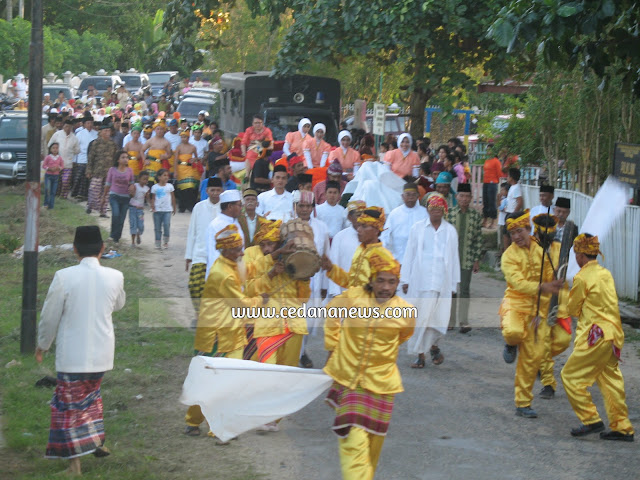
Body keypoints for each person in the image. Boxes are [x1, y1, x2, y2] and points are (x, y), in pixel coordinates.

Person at [36, 226, 126, 476]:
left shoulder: (63, 277)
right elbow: (119, 304)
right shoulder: (115, 276)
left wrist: (43, 344)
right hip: (101, 356)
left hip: (72, 357)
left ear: (74, 250)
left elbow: (49, 317)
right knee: (91, 401)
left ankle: (74, 466)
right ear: (102, 249)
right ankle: (96, 443)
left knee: (69, 409)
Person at [324, 248, 415, 480]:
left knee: (373, 448)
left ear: (397, 283)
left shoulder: (405, 312)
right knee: (353, 438)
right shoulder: (353, 297)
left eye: (391, 282)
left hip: (382, 384)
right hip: (351, 383)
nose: (386, 287)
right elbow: (331, 311)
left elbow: (403, 336)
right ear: (371, 280)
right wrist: (333, 345)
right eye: (381, 281)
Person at [185, 224, 268, 438]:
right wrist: (261, 300)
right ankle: (199, 422)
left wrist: (272, 259)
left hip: (230, 333)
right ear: (226, 250)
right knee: (210, 382)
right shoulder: (224, 274)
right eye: (238, 249)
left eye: (242, 248)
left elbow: (248, 270)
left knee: (227, 382)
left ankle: (213, 426)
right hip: (217, 337)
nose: (242, 253)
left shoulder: (228, 264)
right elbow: (243, 306)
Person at [561, 234, 634, 441]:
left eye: (576, 254)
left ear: (580, 255)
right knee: (610, 381)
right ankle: (623, 428)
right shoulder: (606, 273)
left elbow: (573, 309)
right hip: (613, 335)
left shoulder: (582, 277)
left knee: (570, 376)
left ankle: (591, 419)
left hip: (595, 337)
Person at [499, 210, 562, 419]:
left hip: (539, 310)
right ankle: (510, 343)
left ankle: (523, 403)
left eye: (520, 231)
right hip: (515, 305)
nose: (516, 236)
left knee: (532, 357)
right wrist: (543, 287)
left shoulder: (542, 249)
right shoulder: (509, 256)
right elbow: (517, 283)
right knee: (513, 333)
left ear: (529, 229)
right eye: (512, 233)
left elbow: (554, 273)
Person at [402, 193, 460, 368]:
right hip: (420, 282)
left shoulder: (450, 231)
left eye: (439, 208)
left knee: (437, 320)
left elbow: (454, 258)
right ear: (427, 209)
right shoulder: (417, 228)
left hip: (441, 283)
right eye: (432, 208)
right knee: (420, 320)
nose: (435, 211)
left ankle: (433, 347)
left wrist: (453, 284)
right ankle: (420, 355)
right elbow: (409, 253)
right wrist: (405, 279)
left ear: (444, 210)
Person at [446, 183, 483, 333]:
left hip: (467, 258)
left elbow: (478, 239)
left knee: (465, 290)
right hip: (450, 260)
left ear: (471, 198)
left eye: (467, 196)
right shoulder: (449, 214)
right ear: (456, 197)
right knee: (451, 290)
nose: (464, 199)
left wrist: (476, 259)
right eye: (461, 196)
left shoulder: (475, 216)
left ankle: (463, 321)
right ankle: (450, 320)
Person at [322, 207, 389, 289]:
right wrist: (331, 268)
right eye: (359, 225)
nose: (358, 230)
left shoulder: (382, 257)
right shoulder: (360, 250)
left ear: (376, 230)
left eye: (364, 226)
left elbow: (383, 291)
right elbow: (352, 282)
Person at [185, 177, 223, 319]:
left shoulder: (226, 208)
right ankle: (198, 314)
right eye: (212, 190)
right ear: (207, 191)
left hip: (220, 256)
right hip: (200, 253)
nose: (215, 193)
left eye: (218, 190)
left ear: (222, 191)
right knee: (195, 286)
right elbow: (192, 231)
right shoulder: (199, 207)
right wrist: (188, 256)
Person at [326, 201, 365, 300]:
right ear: (349, 217)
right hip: (344, 290)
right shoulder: (340, 237)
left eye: (364, 215)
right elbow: (334, 263)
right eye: (358, 215)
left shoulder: (371, 236)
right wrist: (335, 292)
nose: (361, 218)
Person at [381, 182, 427, 264]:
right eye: (408, 195)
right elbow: (385, 235)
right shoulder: (395, 213)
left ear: (418, 196)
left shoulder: (425, 213)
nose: (411, 197)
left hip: (420, 259)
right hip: (398, 259)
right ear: (402, 196)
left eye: (413, 195)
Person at [206, 189, 244, 276]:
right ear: (230, 206)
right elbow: (214, 255)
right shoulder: (216, 225)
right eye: (239, 205)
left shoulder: (235, 222)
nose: (241, 208)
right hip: (222, 275)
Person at [86, 123, 118, 217]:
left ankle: (102, 211)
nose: (107, 133)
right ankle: (90, 206)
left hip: (108, 173)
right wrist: (88, 170)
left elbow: (116, 158)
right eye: (105, 131)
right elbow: (90, 158)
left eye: (109, 131)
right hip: (97, 171)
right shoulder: (95, 143)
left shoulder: (113, 144)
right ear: (100, 132)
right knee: (94, 190)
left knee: (106, 193)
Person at [104, 151, 135, 243]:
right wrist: (104, 197)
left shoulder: (130, 171)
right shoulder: (112, 170)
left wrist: (132, 187)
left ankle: (116, 238)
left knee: (121, 219)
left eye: (127, 157)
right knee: (116, 214)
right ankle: (112, 236)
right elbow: (107, 184)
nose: (125, 159)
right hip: (114, 196)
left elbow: (132, 183)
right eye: (123, 157)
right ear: (118, 160)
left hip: (125, 197)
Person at [48, 120, 80, 200]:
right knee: (56, 181)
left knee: (66, 181)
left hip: (68, 163)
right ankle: (55, 195)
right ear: (63, 126)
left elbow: (77, 150)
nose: (67, 128)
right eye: (66, 126)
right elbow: (50, 145)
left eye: (69, 127)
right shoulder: (57, 134)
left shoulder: (74, 138)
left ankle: (63, 196)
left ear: (72, 127)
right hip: (56, 162)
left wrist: (71, 152)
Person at [174, 130, 201, 213]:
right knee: (181, 188)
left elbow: (197, 158)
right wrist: (175, 171)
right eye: (182, 137)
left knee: (190, 186)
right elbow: (175, 160)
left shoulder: (193, 147)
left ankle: (190, 205)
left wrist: (194, 159)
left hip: (189, 168)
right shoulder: (178, 147)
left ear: (188, 138)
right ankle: (182, 206)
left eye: (185, 137)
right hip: (181, 168)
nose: (183, 139)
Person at [72, 115, 98, 199]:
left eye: (91, 123)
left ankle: (86, 194)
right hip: (81, 158)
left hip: (92, 159)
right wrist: (74, 159)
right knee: (79, 177)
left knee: (88, 178)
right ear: (84, 124)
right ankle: (77, 193)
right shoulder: (79, 134)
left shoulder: (96, 134)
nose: (90, 125)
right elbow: (75, 147)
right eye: (88, 123)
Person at [150, 169, 176, 249]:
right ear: (159, 177)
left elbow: (173, 197)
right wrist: (152, 206)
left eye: (167, 175)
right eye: (164, 175)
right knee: (157, 228)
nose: (166, 177)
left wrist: (174, 207)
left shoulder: (170, 186)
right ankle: (158, 243)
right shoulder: (154, 187)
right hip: (157, 210)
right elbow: (153, 198)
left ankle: (166, 241)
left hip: (167, 210)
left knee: (166, 225)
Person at [129, 171, 150, 246]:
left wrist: (152, 205)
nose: (145, 181)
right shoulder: (135, 186)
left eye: (147, 179)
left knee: (141, 225)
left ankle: (139, 234)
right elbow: (131, 195)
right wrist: (132, 193)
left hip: (140, 210)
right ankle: (133, 242)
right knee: (133, 224)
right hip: (132, 208)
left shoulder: (146, 189)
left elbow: (148, 198)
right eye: (144, 179)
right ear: (139, 179)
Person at [42, 143, 63, 209]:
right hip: (48, 175)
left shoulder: (59, 158)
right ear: (50, 149)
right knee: (47, 189)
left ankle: (51, 206)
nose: (55, 149)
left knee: (53, 192)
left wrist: (58, 168)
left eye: (56, 148)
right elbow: (44, 165)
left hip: (56, 176)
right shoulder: (48, 157)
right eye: (53, 148)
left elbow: (62, 166)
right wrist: (49, 169)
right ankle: (46, 204)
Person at [498, 182, 510, 251]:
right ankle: (501, 250)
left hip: (504, 221)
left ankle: (503, 251)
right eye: (501, 190)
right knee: (501, 237)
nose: (501, 191)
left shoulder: (507, 200)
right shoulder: (503, 198)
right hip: (501, 221)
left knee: (504, 237)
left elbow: (502, 209)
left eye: (503, 190)